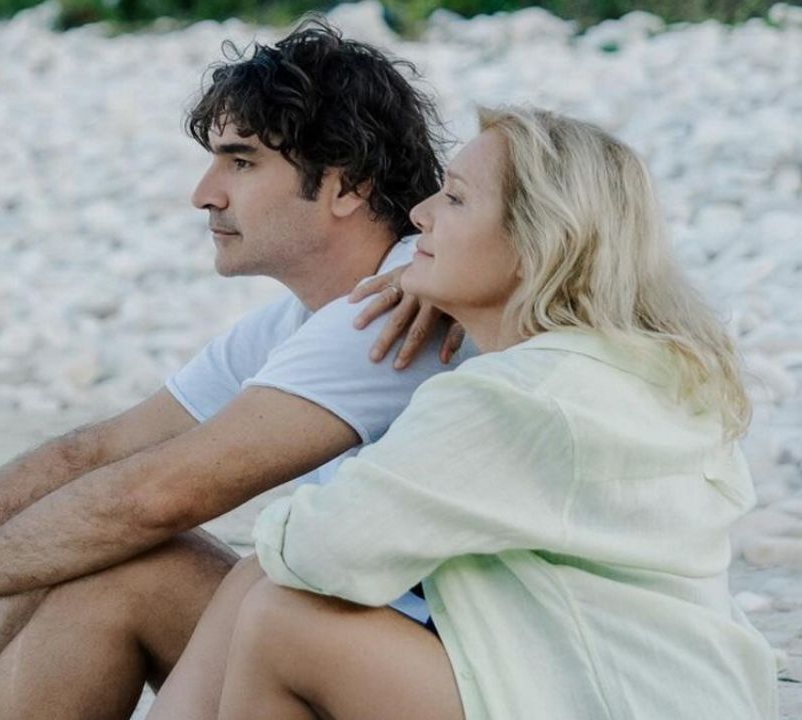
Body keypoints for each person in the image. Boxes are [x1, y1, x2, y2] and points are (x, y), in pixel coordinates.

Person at [0, 19, 470, 718]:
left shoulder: (395, 308)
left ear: (347, 184)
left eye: (241, 163)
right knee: (56, 545)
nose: (205, 194)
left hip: (447, 680)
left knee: (112, 566)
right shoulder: (308, 315)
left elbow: (160, 495)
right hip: (365, 652)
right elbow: (99, 453)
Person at [149, 106, 781, 720]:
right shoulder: (638, 367)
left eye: (453, 199)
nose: (419, 215)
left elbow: (320, 550)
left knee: (284, 618)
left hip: (606, 698)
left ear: (537, 242)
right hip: (676, 692)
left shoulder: (516, 396)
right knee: (265, 586)